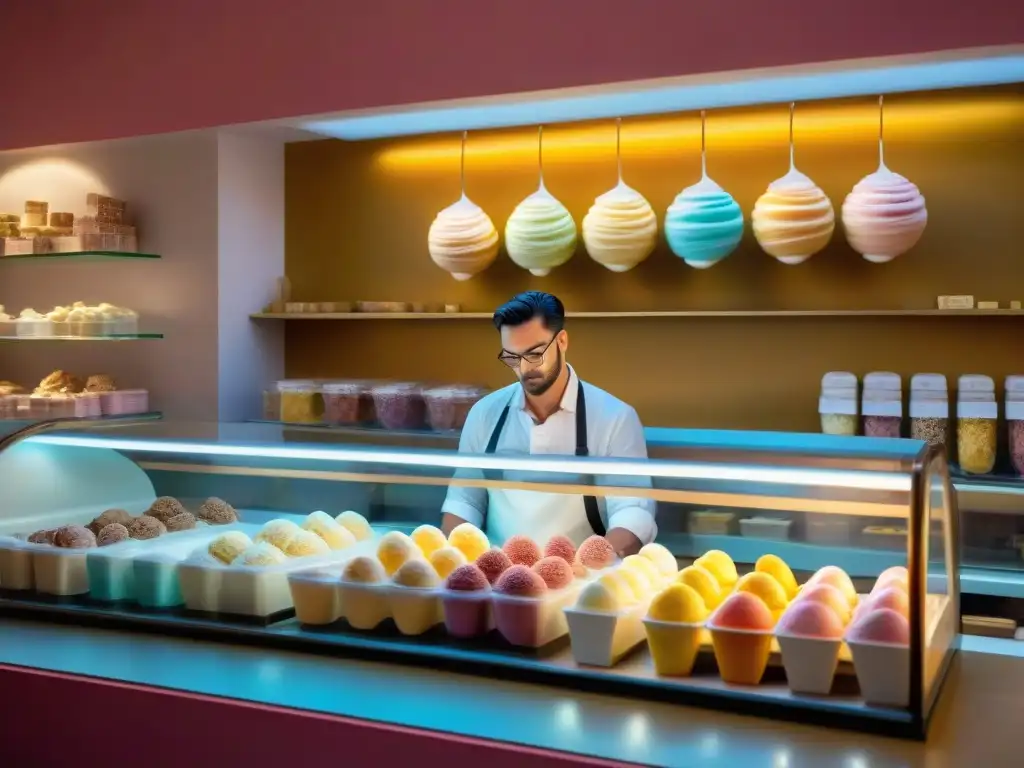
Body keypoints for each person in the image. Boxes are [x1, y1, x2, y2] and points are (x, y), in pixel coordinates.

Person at [441, 291, 655, 556]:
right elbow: (464, 501)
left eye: (535, 354)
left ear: (562, 341)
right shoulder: (484, 414)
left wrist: (589, 566)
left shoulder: (615, 418)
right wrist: (454, 561)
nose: (524, 368)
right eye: (512, 357)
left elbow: (632, 512)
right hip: (498, 579)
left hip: (582, 582)